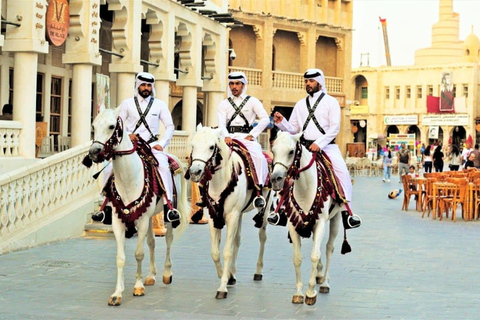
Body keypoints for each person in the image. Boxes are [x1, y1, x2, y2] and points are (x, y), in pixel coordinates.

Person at [272, 68, 361, 229]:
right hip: (304, 147)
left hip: (327, 147)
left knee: (341, 171)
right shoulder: (300, 104)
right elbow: (293, 129)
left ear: (319, 83)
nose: (307, 84)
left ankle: (346, 211)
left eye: (311, 81)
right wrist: (282, 122)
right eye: (306, 81)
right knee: (285, 169)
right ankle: (280, 210)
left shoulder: (331, 102)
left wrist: (319, 143)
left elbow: (334, 128)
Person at [92, 72, 180, 226]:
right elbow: (118, 125)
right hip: (130, 146)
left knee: (164, 167)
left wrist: (162, 143)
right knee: (108, 169)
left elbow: (170, 126)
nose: (145, 88)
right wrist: (127, 135)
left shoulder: (160, 104)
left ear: (151, 87)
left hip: (152, 146)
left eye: (148, 85)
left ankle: (168, 207)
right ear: (137, 85)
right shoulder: (127, 104)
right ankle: (104, 207)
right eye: (143, 85)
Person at [218, 71, 270, 209]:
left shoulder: (253, 101)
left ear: (243, 85)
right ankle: (205, 192)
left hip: (247, 138)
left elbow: (265, 119)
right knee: (210, 156)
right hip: (229, 137)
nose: (234, 87)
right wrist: (226, 136)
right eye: (231, 84)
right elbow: (221, 124)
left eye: (237, 84)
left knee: (259, 157)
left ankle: (259, 191)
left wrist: (252, 135)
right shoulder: (224, 104)